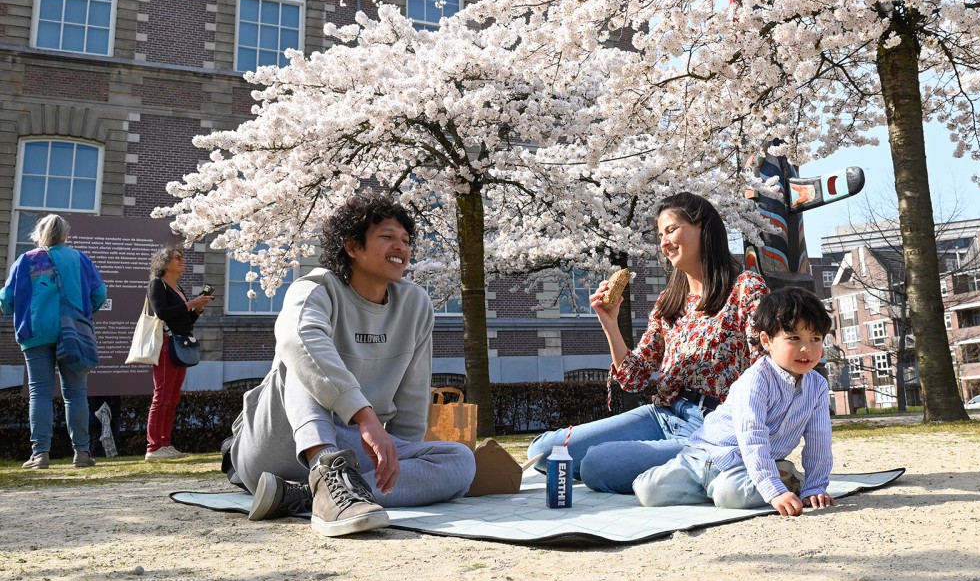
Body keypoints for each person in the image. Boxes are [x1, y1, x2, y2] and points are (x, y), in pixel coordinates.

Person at [223, 194, 476, 537]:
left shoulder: (415, 304)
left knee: (460, 461)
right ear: (353, 246)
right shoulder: (314, 288)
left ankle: (312, 496)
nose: (400, 246)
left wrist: (398, 455)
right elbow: (299, 341)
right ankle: (326, 474)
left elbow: (412, 398)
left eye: (405, 240)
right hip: (277, 442)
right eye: (387, 236)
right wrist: (364, 415)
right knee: (299, 360)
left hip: (352, 448)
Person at [527, 192, 769, 494]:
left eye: (671, 230)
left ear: (703, 227)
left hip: (712, 425)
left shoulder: (745, 288)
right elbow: (634, 376)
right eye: (660, 235)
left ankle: (714, 466)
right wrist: (609, 322)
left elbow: (766, 367)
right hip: (662, 414)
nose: (664, 242)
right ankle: (687, 473)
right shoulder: (671, 299)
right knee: (545, 448)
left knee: (596, 465)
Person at [633, 287, 835, 514]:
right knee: (646, 491)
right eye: (794, 338)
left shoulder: (817, 386)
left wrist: (814, 486)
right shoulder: (756, 379)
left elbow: (819, 441)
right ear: (767, 341)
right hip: (703, 455)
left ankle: (785, 478)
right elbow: (753, 434)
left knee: (728, 495)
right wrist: (772, 489)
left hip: (746, 467)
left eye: (815, 338)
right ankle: (716, 486)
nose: (806, 348)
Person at [1, 214, 107, 469]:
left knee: (39, 392)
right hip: (73, 331)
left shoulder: (25, 260)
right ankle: (82, 453)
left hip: (36, 332)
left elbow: (6, 300)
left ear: (38, 234)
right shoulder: (80, 259)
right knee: (76, 393)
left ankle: (40, 454)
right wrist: (81, 314)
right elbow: (100, 294)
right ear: (65, 235)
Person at [145, 245, 213, 460]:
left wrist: (197, 310)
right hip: (166, 344)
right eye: (177, 258)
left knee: (173, 397)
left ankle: (165, 443)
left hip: (179, 343)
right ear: (165, 263)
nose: (182, 260)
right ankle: (153, 447)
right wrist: (191, 303)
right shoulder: (158, 284)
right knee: (162, 395)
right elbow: (162, 312)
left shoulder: (178, 288)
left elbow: (185, 322)